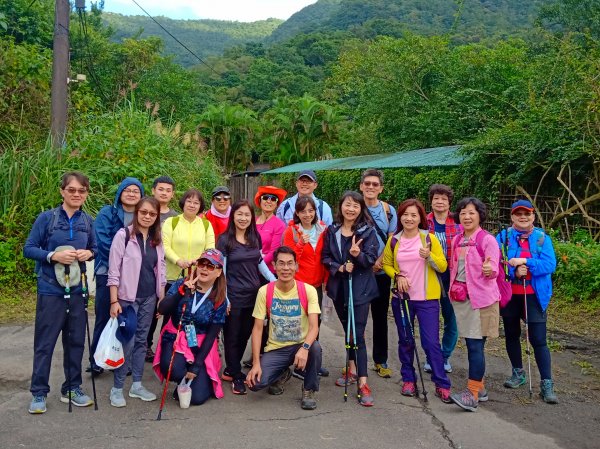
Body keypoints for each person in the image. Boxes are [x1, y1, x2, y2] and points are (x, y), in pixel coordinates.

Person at [24, 172, 97, 414]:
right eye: (72, 190)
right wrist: (53, 255)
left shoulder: (88, 221)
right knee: (45, 343)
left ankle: (72, 388)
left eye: (82, 191)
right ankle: (39, 393)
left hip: (77, 290)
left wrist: (89, 254)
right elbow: (29, 248)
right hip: (50, 289)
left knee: (75, 341)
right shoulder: (47, 219)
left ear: (86, 194)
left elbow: (95, 248)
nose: (77, 194)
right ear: (62, 191)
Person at [382, 199, 451, 403]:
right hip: (402, 299)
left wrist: (430, 256)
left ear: (421, 217)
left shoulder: (429, 239)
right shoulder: (394, 240)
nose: (409, 218)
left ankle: (442, 383)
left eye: (414, 215)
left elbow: (443, 266)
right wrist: (397, 276)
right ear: (400, 217)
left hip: (427, 299)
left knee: (431, 343)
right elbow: (386, 263)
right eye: (405, 214)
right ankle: (408, 379)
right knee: (405, 341)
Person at [497, 199, 558, 404]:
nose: (523, 217)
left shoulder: (542, 238)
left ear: (533, 216)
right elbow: (497, 263)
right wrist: (513, 270)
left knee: (539, 339)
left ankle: (546, 383)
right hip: (510, 295)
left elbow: (549, 265)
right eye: (518, 214)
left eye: (527, 214)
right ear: (512, 216)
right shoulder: (503, 237)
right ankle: (518, 373)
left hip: (534, 296)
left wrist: (526, 262)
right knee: (512, 335)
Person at [107, 197, 166, 407]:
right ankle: (117, 388)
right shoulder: (123, 236)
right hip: (127, 299)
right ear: (137, 212)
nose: (148, 216)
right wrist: (114, 301)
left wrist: (161, 298)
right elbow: (113, 271)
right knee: (127, 342)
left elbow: (161, 270)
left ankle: (137, 385)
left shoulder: (156, 239)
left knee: (142, 341)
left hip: (149, 297)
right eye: (144, 212)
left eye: (152, 214)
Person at [246, 247, 322, 410]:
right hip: (276, 348)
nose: (285, 268)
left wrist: (305, 348)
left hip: (301, 345)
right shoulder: (265, 291)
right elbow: (258, 329)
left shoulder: (308, 290)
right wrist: (256, 363)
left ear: (296, 266)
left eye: (290, 264)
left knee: (315, 348)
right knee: (254, 384)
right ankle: (282, 373)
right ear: (274, 266)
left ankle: (309, 389)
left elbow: (314, 327)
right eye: (281, 263)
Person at [322, 191, 379, 406]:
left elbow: (371, 260)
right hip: (339, 290)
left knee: (358, 335)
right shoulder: (332, 230)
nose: (351, 209)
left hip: (361, 291)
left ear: (361, 208)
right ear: (341, 206)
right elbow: (325, 258)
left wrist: (358, 256)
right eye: (347, 204)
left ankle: (363, 383)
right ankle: (352, 369)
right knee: (348, 332)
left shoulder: (368, 232)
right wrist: (339, 267)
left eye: (356, 205)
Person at [153, 249, 227, 406]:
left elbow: (212, 335)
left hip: (200, 344)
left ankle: (201, 376)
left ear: (219, 272)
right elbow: (162, 309)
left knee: (197, 398)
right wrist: (181, 293)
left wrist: (196, 366)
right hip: (175, 337)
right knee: (173, 369)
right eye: (202, 264)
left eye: (211, 266)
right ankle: (183, 374)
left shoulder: (220, 298)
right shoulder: (182, 283)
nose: (205, 269)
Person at [217, 200, 276, 395]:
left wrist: (274, 281)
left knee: (245, 334)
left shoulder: (254, 237)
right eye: (239, 214)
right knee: (232, 336)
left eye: (247, 215)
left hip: (254, 296)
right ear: (233, 216)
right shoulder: (225, 240)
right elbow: (221, 271)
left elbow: (260, 262)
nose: (243, 218)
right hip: (233, 296)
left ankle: (231, 369)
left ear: (252, 217)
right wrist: (224, 297)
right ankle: (235, 376)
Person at [448, 197, 500, 412]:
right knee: (473, 345)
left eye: (471, 212)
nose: (467, 216)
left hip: (482, 301)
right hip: (462, 300)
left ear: (480, 215)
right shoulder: (457, 239)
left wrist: (490, 270)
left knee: (475, 346)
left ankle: (472, 394)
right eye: (462, 213)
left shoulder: (487, 240)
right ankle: (480, 389)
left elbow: (494, 267)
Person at [89, 177, 144, 375]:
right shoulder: (108, 213)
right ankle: (97, 358)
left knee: (127, 318)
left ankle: (118, 359)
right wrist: (120, 263)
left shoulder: (142, 215)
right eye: (127, 190)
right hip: (107, 270)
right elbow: (101, 241)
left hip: (134, 275)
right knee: (105, 315)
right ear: (120, 192)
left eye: (136, 191)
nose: (131, 193)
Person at [158, 189, 215, 349]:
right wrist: (178, 261)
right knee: (169, 315)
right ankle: (166, 349)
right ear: (183, 203)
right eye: (189, 201)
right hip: (173, 276)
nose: (192, 205)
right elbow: (165, 246)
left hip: (198, 278)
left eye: (196, 202)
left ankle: (189, 350)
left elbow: (210, 248)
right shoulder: (172, 222)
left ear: (200, 206)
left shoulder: (205, 224)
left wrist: (199, 262)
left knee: (191, 315)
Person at [282, 195, 329, 377]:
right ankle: (297, 364)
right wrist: (301, 243)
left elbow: (325, 257)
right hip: (299, 286)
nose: (307, 214)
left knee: (315, 324)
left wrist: (327, 282)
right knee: (298, 325)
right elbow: (288, 260)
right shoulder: (292, 232)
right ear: (297, 213)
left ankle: (312, 361)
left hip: (317, 285)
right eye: (303, 211)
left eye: (311, 210)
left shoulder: (323, 229)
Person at [359, 169, 397, 378]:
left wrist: (379, 262)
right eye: (367, 183)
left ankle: (380, 360)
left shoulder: (388, 210)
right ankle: (356, 362)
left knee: (380, 317)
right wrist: (366, 262)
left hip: (381, 272)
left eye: (375, 184)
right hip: (360, 272)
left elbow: (391, 240)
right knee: (358, 319)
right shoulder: (354, 206)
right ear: (361, 186)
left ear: (381, 188)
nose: (371, 187)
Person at [425, 184, 461, 374]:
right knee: (429, 318)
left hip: (452, 277)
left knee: (450, 318)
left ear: (449, 203)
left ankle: (444, 356)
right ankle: (431, 357)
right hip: (428, 275)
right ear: (431, 201)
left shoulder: (458, 223)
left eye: (443, 199)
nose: (439, 202)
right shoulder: (423, 221)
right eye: (436, 198)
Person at [147, 175, 178, 360]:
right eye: (161, 189)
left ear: (173, 194)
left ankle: (163, 347)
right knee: (150, 312)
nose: (164, 193)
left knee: (168, 311)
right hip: (149, 271)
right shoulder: (145, 211)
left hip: (171, 272)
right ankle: (146, 345)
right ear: (153, 190)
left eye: (168, 190)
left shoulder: (175, 217)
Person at [254, 185, 287, 274]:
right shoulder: (251, 221)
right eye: (265, 198)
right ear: (260, 200)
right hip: (248, 269)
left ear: (277, 204)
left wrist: (256, 265)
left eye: (273, 199)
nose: (269, 201)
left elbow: (274, 252)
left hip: (267, 271)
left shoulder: (279, 225)